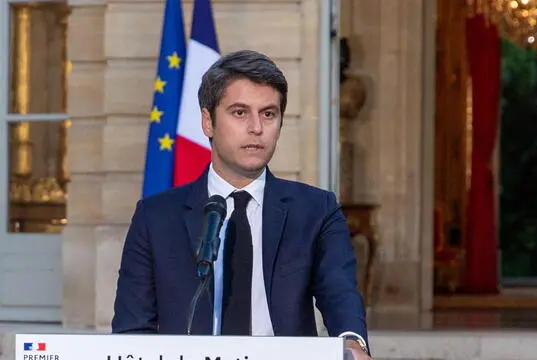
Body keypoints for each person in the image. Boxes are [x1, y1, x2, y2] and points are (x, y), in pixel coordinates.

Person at [111, 49, 372, 360]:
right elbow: (132, 328)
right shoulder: (155, 218)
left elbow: (339, 293)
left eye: (268, 114)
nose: (256, 128)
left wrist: (352, 344)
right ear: (208, 122)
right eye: (239, 112)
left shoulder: (317, 210)